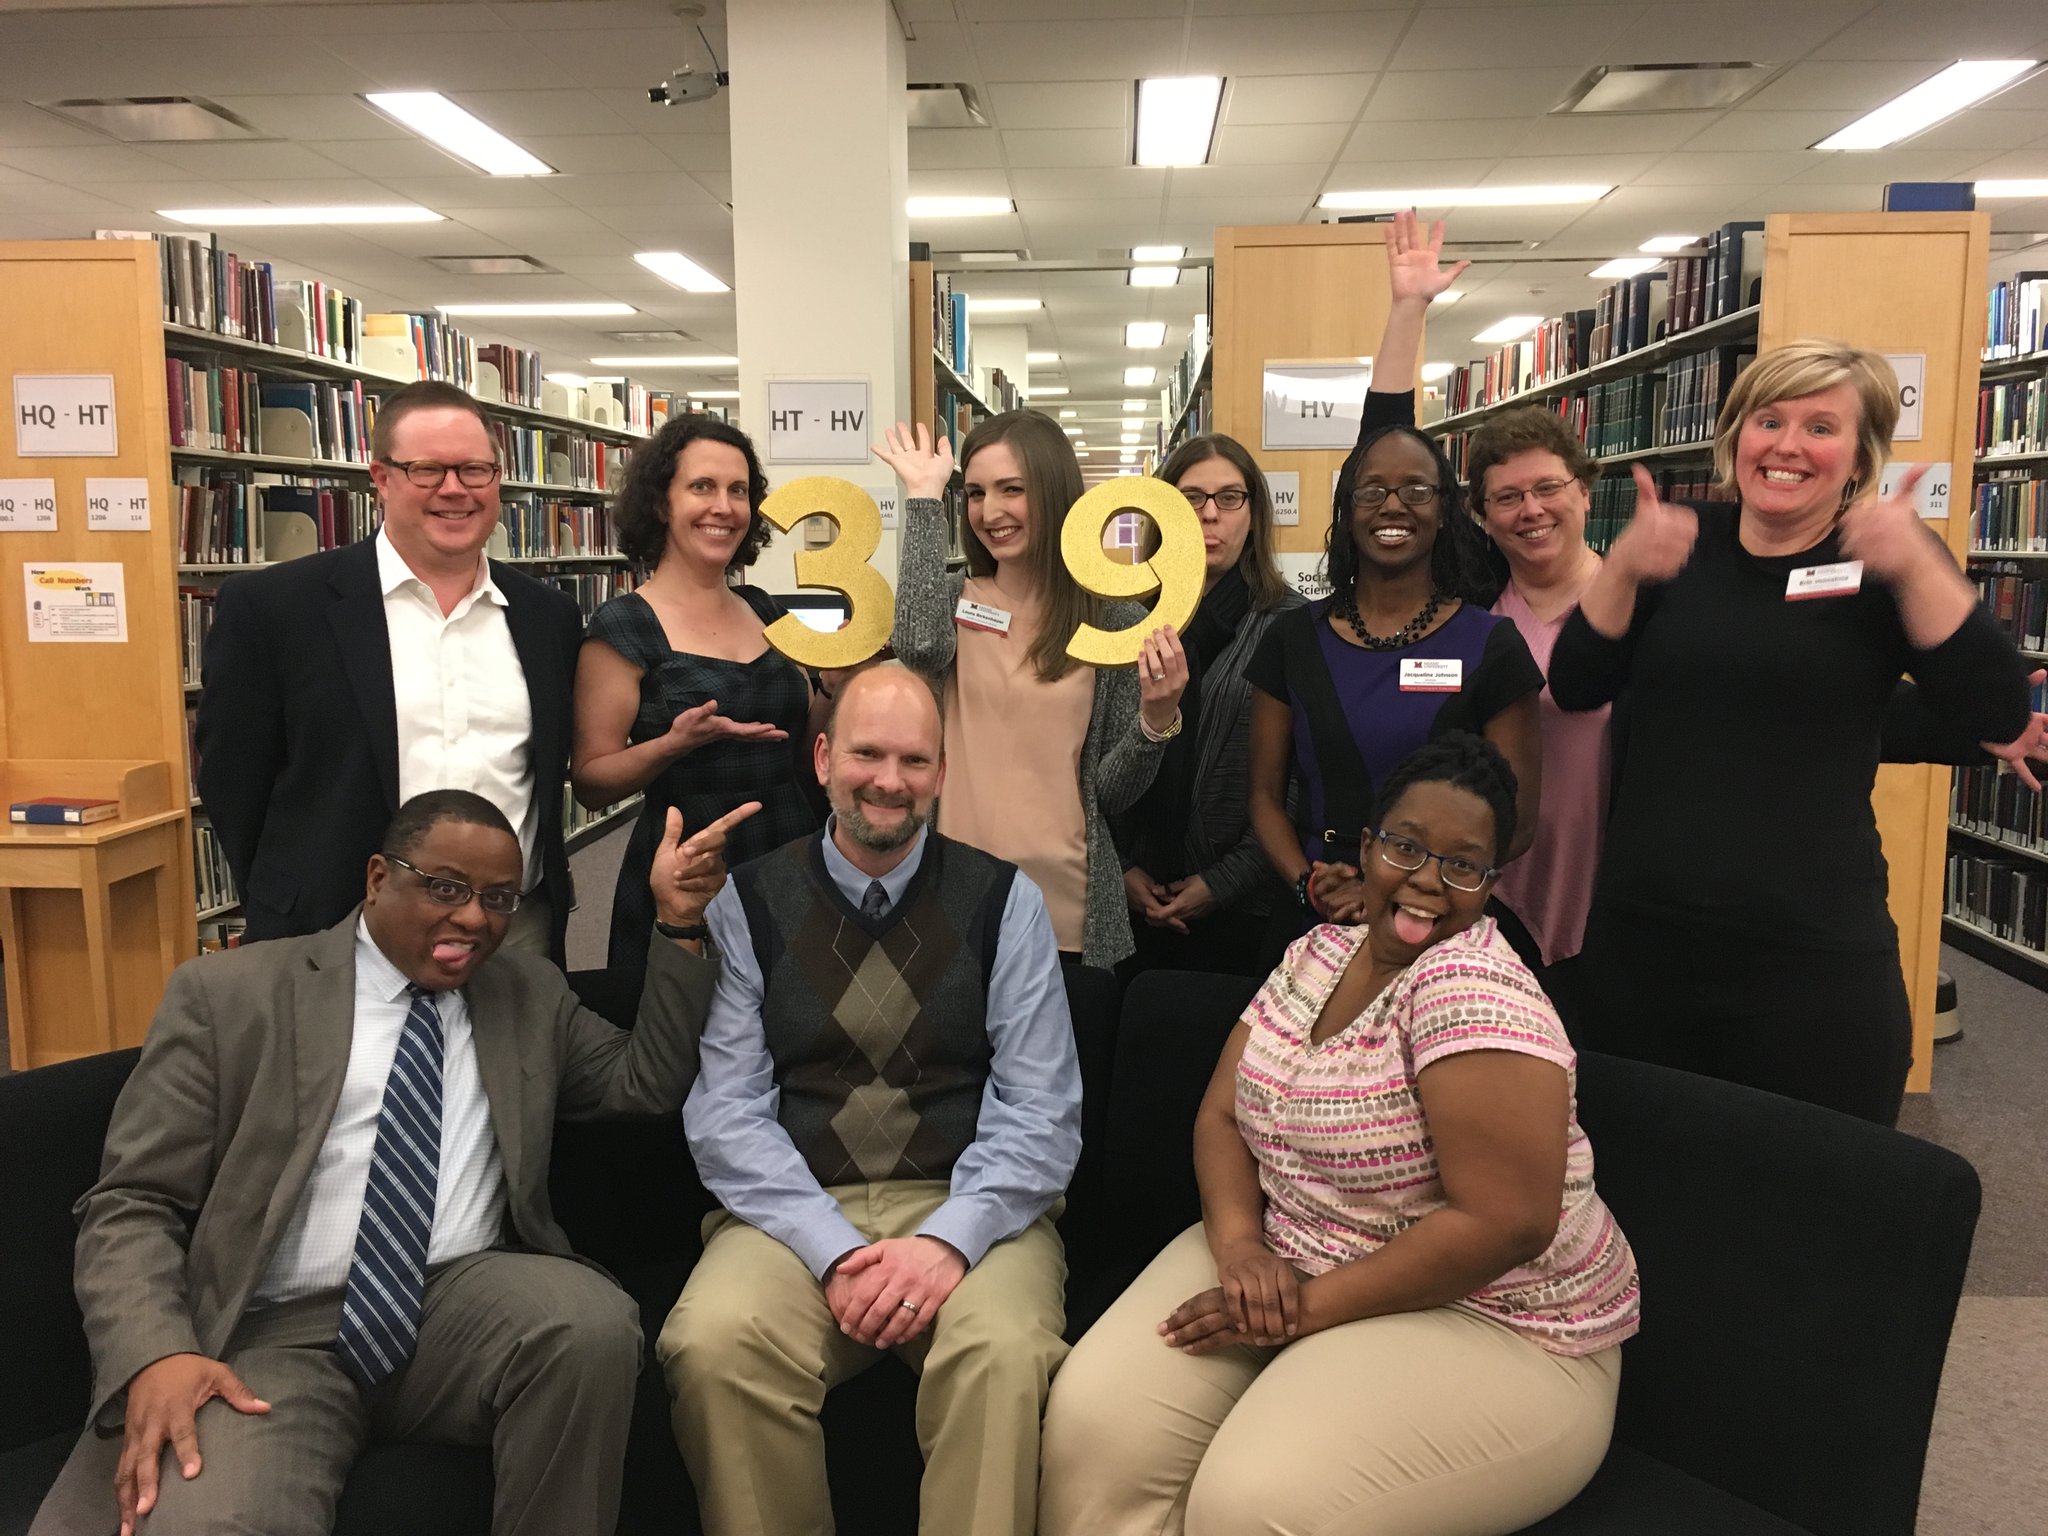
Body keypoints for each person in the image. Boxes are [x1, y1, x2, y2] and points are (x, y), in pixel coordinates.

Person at [31, 787, 757, 1536]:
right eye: (445, 888)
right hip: (271, 1334)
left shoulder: (526, 992)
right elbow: (132, 1202)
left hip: (456, 1306)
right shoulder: (232, 995)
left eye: (498, 899)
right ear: (379, 878)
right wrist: (158, 1355)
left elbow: (643, 1081)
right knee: (216, 1518)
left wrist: (679, 923)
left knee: (587, 1324)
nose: (474, 918)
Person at [1039, 734, 1639, 1536]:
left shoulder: (1476, 994)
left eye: (1462, 865)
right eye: (1406, 846)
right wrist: (1240, 1246)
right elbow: (1223, 1115)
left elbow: (1508, 1224)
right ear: (1367, 848)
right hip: (1293, 1250)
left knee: (1253, 1503)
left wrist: (1302, 1310)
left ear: (1491, 884)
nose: (1427, 879)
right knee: (1093, 1429)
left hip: (1501, 1317)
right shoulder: (1318, 954)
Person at [1550, 341, 2036, 1124]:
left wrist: (1916, 567)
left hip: (1812, 953)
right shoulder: (1679, 542)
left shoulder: (1885, 558)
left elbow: (1995, 713)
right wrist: (1623, 569)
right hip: (1644, 941)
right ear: (1736, 434)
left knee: (1816, 1179)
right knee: (1640, 1173)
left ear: (1860, 455)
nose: (1786, 446)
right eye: (1768, 420)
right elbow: (1577, 685)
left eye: (1820, 427)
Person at [657, 661, 1081, 1536]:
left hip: (970, 1204)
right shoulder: (745, 903)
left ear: (941, 773)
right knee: (713, 1343)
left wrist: (947, 1241)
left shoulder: (1006, 903)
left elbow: (1041, 1113)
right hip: (797, 1208)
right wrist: (833, 1251)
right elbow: (727, 1112)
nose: (889, 781)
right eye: (867, 754)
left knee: (1002, 1352)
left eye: (914, 760)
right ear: (822, 759)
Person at [196, 381, 585, 962]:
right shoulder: (276, 608)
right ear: (380, 478)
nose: (454, 489)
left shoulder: (547, 616)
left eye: (475, 470)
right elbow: (234, 778)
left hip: (509, 929)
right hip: (335, 923)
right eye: (427, 470)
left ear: (498, 479)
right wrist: (290, 890)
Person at [1248, 213, 1541, 948]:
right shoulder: (1292, 638)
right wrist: (1308, 882)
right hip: (1316, 918)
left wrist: (1404, 892)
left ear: (1446, 511)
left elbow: (1518, 822)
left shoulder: (1492, 645)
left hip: (1436, 927)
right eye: (1372, 491)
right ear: (1346, 511)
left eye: (1416, 491)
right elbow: (1263, 800)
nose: (1392, 506)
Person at [880, 410, 1187, 970]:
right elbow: (917, 646)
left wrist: (1155, 720)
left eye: (1012, 489)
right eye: (975, 493)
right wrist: (924, 498)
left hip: (1066, 910)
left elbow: (1111, 794)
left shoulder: (1113, 623)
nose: (989, 512)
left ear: (1053, 491)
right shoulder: (951, 601)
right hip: (950, 901)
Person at [573, 413, 823, 992]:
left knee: (797, 1017)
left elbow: (806, 741)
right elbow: (590, 782)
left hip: (790, 844)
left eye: (738, 490)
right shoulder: (624, 625)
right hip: (686, 859)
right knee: (684, 1024)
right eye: (702, 487)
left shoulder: (766, 609)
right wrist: (674, 744)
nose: (724, 507)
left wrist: (836, 685)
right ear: (661, 503)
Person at [1115, 432, 1305, 977]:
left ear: (1254, 513)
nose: (1209, 514)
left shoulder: (1292, 626)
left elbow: (1297, 781)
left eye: (1229, 497)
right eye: (1191, 497)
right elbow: (1091, 752)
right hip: (1127, 900)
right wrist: (1120, 868)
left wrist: (1221, 883)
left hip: (1243, 908)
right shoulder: (1124, 620)